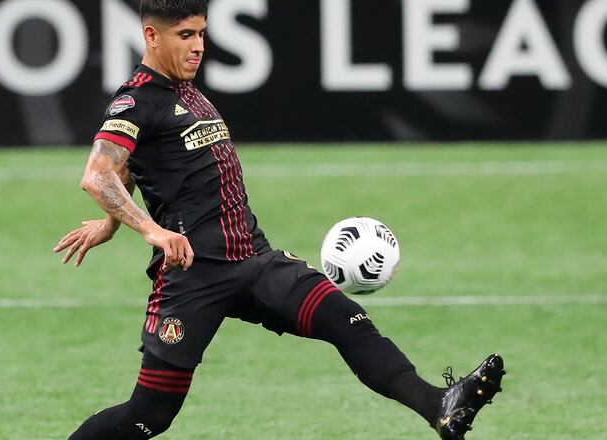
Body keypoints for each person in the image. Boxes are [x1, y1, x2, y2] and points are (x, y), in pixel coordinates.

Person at [53, 1, 505, 438]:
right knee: (150, 415)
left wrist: (110, 223)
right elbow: (98, 173)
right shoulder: (137, 100)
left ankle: (439, 407)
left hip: (254, 259)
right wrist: (149, 229)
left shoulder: (183, 90)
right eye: (185, 35)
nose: (198, 47)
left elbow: (137, 163)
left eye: (202, 34)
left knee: (345, 319)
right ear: (151, 35)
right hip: (194, 276)